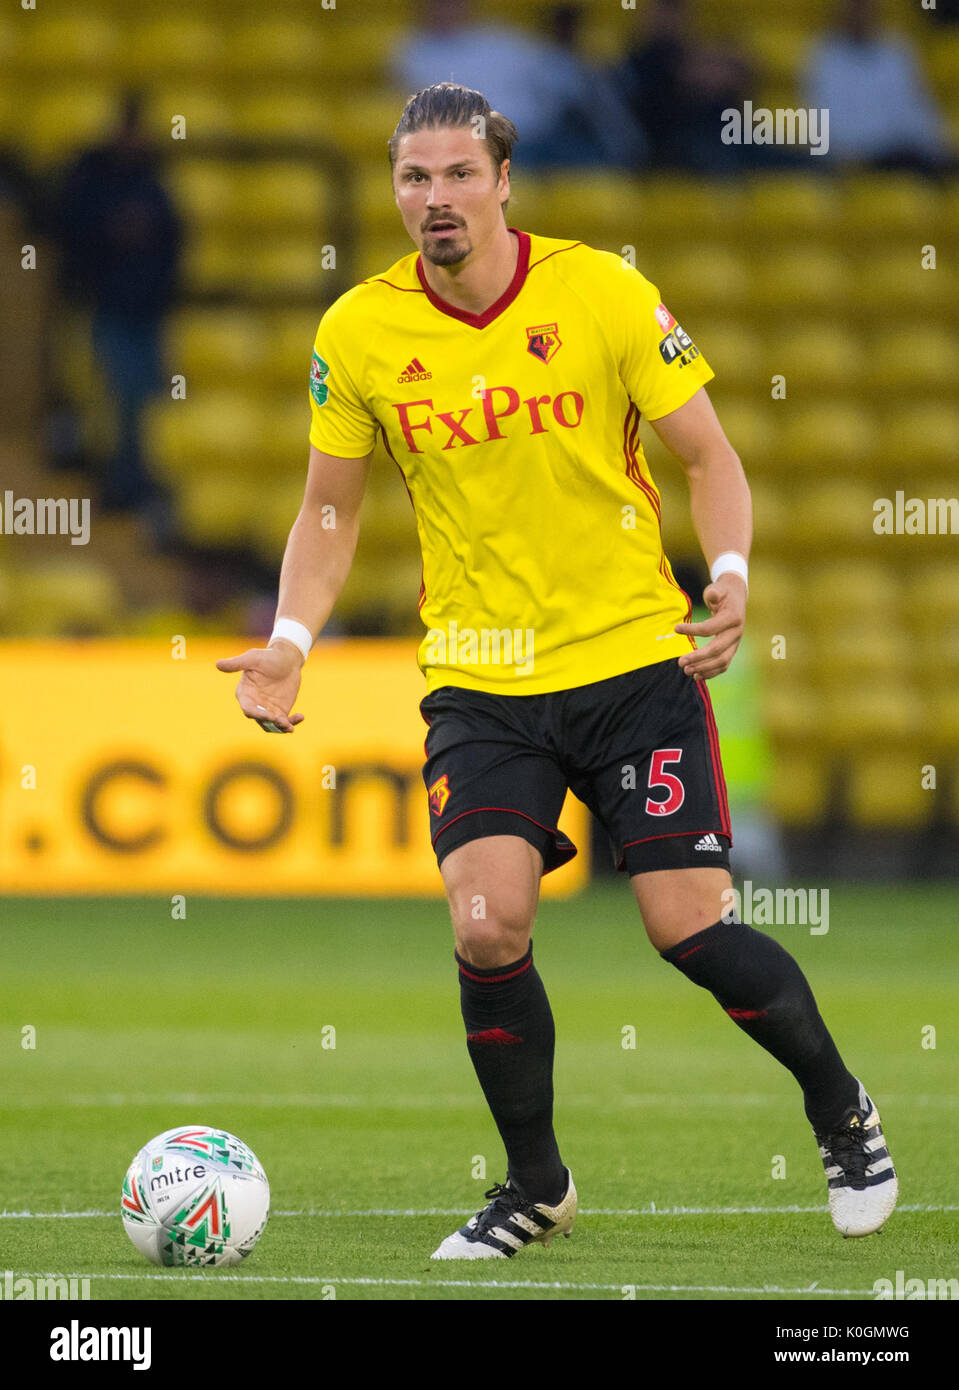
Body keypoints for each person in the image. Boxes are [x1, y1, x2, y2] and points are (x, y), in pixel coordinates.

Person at [216, 83, 897, 1260]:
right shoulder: (358, 332)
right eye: (412, 178)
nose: (434, 199)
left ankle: (838, 1106)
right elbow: (328, 511)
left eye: (456, 175)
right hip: (479, 677)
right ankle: (536, 1186)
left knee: (685, 924)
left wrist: (727, 570)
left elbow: (707, 454)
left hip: (631, 659)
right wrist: (288, 641)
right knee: (486, 927)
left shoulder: (599, 290)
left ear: (501, 180)